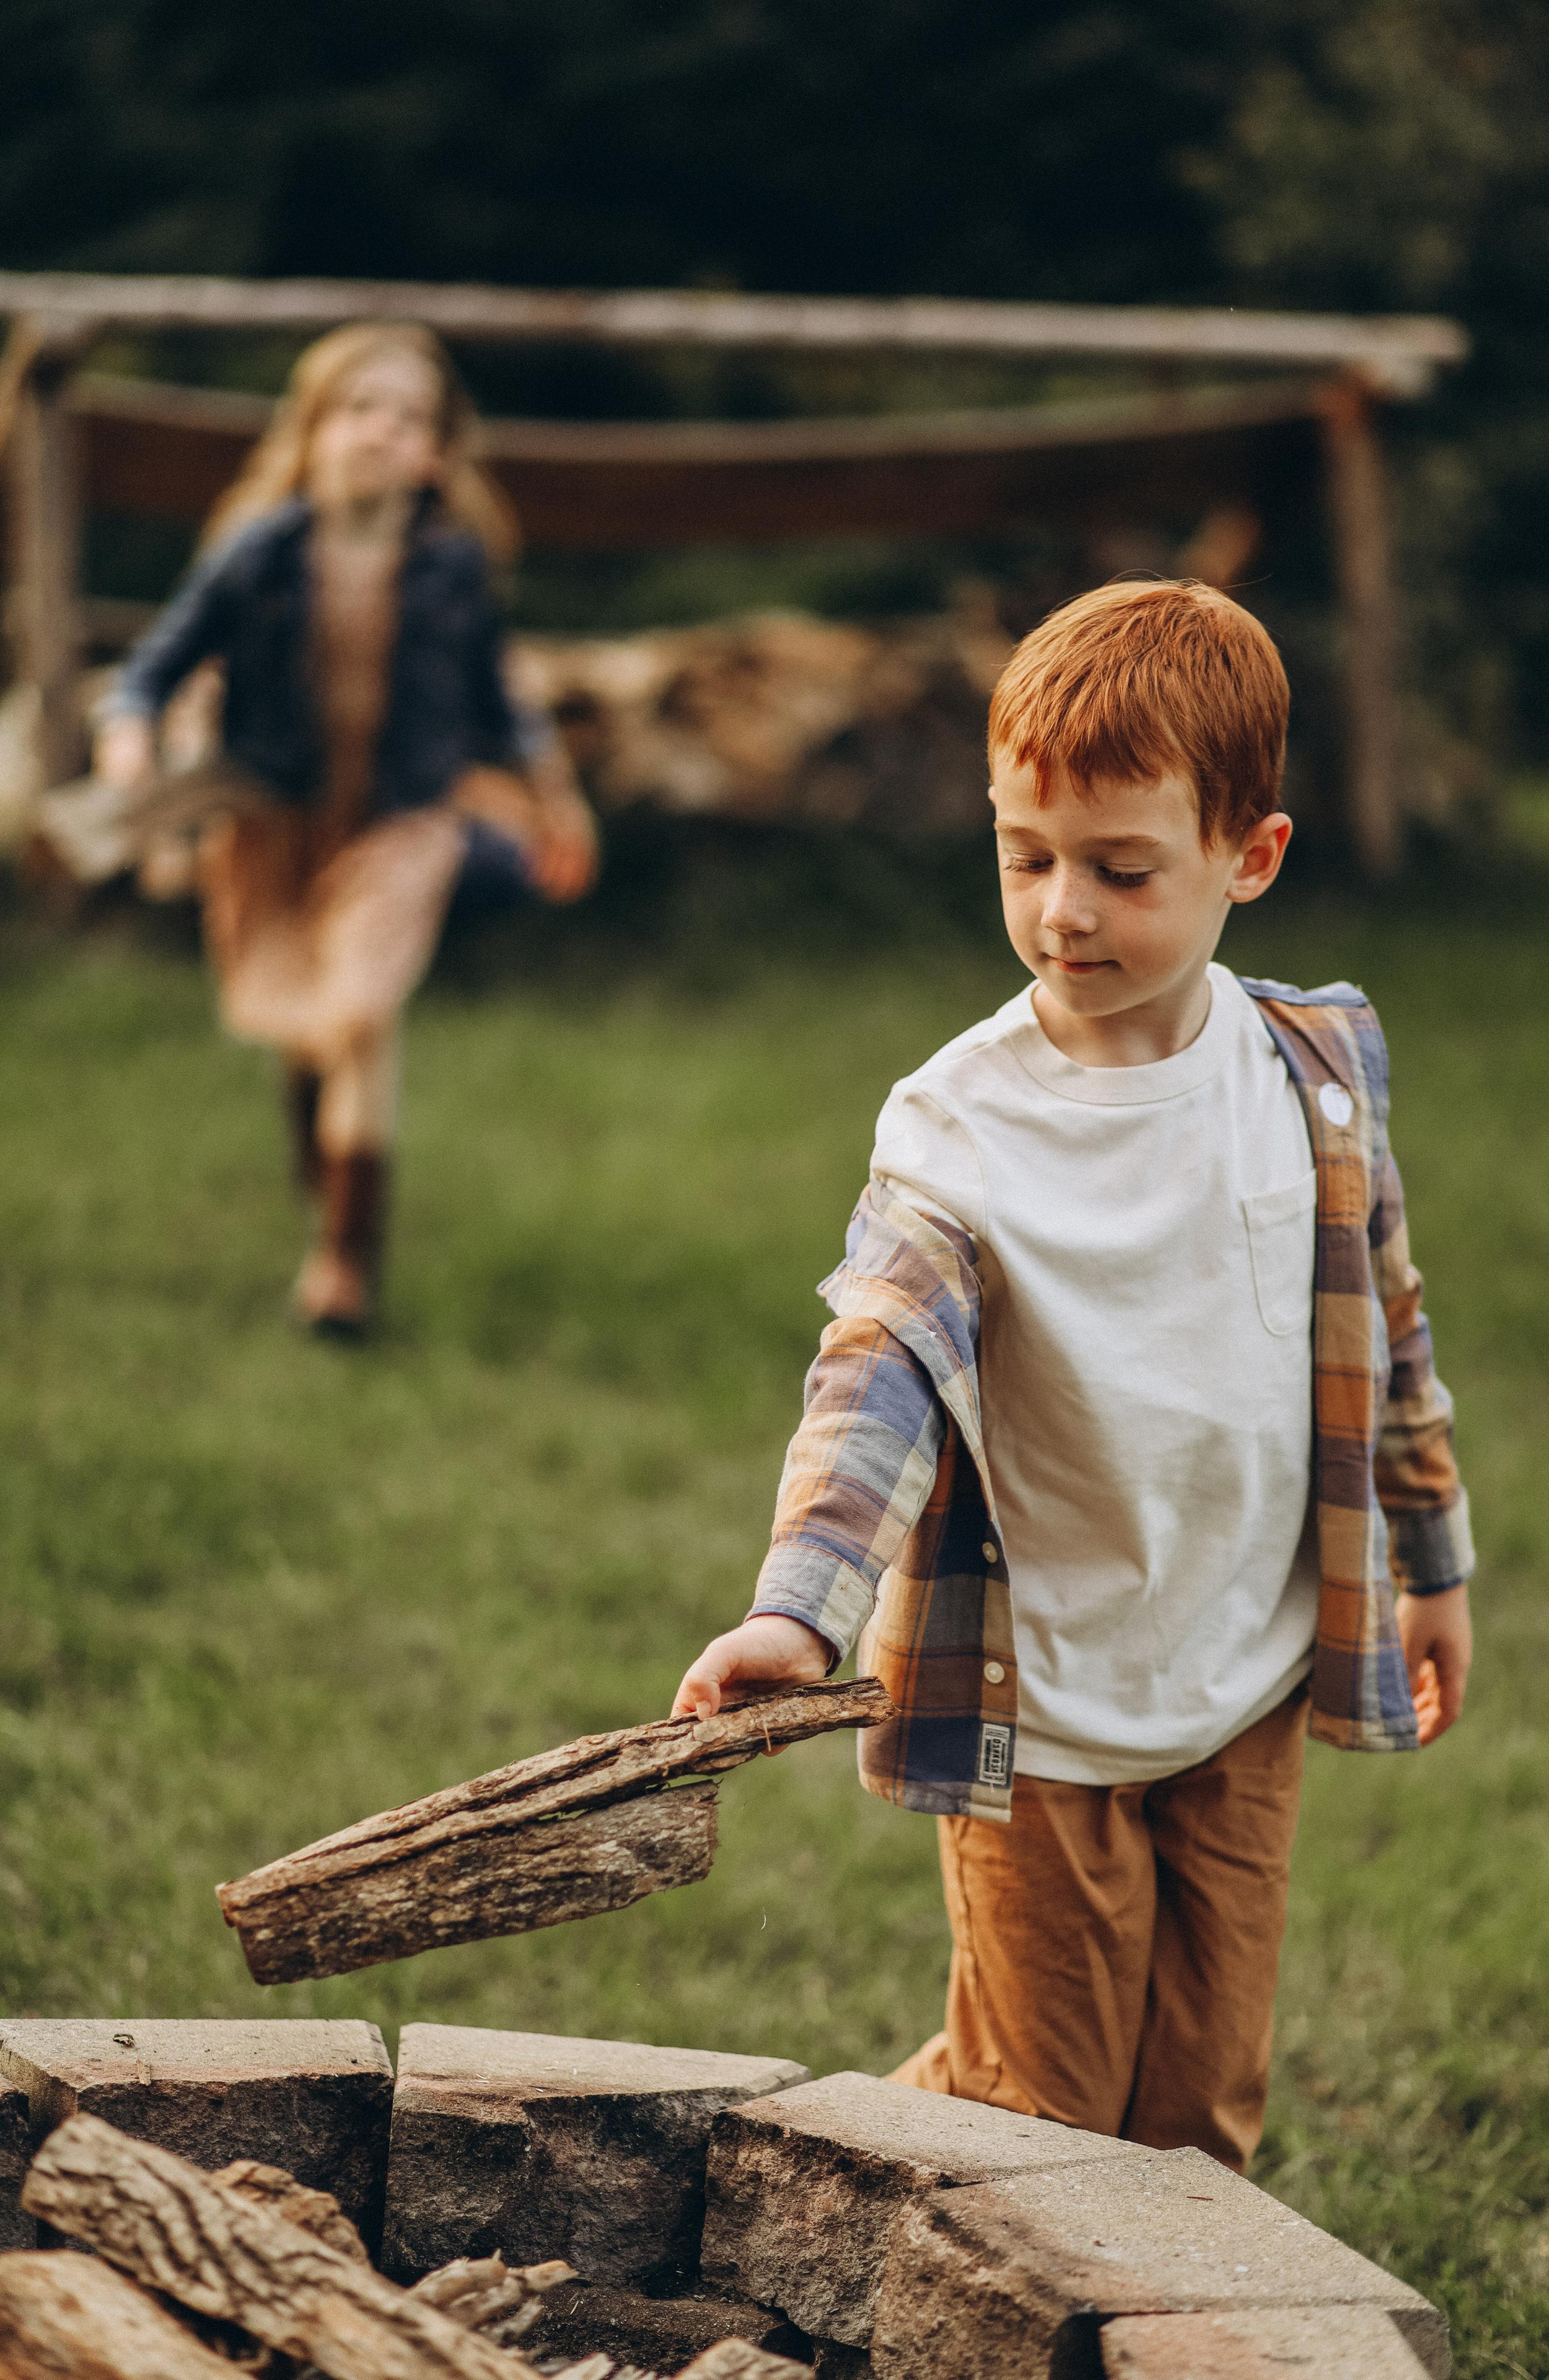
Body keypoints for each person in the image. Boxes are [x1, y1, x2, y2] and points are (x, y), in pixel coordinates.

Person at [672, 581, 1474, 2172]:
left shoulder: (1315, 1077)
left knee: (1192, 2124)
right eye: (1023, 858)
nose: (1060, 912)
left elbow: (1380, 1321)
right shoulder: (958, 1126)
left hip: (1240, 1676)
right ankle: (807, 2182)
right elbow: (874, 1376)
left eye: (1120, 869)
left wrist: (1430, 1553)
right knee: (1037, 2111)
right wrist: (796, 1606)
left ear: (1248, 858)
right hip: (1039, 1707)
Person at [91, 321, 598, 1336]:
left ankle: (344, 1267)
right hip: (277, 826)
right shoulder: (258, 554)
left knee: (361, 1014)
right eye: (362, 409)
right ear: (314, 428)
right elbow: (154, 667)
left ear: (436, 454)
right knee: (304, 1022)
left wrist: (554, 793)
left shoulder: (452, 567)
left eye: (410, 419)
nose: (382, 433)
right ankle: (324, 1172)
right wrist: (129, 739)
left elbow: (499, 696)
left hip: (403, 827)